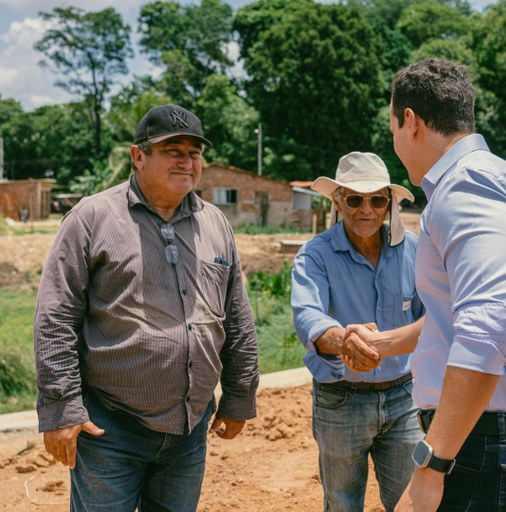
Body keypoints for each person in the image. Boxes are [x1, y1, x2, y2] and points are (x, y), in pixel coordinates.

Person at [347, 57, 506, 511]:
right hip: (487, 442)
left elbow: (487, 328)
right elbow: (464, 319)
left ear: (410, 121)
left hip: (481, 449)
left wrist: (431, 464)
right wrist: (383, 343)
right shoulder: (476, 181)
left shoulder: (469, 184)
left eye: (392, 127)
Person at [34, 103, 260, 511]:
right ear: (139, 156)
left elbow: (237, 318)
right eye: (173, 150)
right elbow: (56, 317)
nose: (186, 161)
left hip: (188, 433)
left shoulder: (215, 224)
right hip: (110, 429)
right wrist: (62, 407)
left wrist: (240, 396)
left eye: (194, 152)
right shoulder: (93, 219)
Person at [291, 151, 425, 512]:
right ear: (338, 200)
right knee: (342, 504)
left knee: (410, 501)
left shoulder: (414, 250)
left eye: (377, 199)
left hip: (404, 398)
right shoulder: (315, 255)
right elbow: (309, 317)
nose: (366, 209)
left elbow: (432, 318)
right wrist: (345, 342)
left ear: (389, 203)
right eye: (354, 199)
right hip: (340, 399)